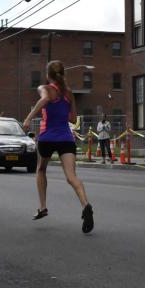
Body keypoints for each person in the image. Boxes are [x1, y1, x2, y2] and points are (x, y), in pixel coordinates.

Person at [22, 60, 94, 233]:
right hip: (66, 139)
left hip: (47, 137)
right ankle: (86, 204)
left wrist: (28, 118)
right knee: (71, 177)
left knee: (41, 170)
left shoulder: (45, 88)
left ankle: (43, 207)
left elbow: (46, 99)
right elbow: (73, 119)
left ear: (48, 75)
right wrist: (63, 109)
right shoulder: (69, 93)